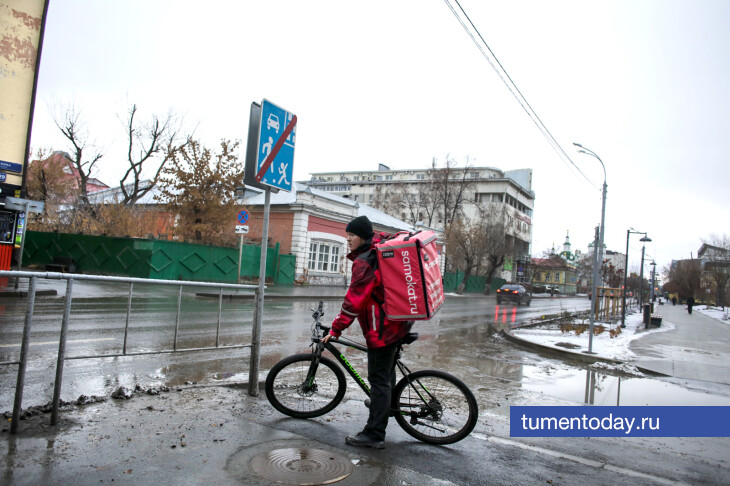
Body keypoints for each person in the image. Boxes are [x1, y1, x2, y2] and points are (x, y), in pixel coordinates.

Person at [322, 215, 412, 449]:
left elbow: (354, 301)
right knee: (386, 377)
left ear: (362, 236)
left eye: (351, 235)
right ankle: (385, 407)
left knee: (378, 380)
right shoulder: (376, 248)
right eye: (347, 234)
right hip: (396, 323)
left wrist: (336, 329)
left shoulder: (365, 261)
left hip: (383, 329)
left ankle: (374, 434)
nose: (348, 239)